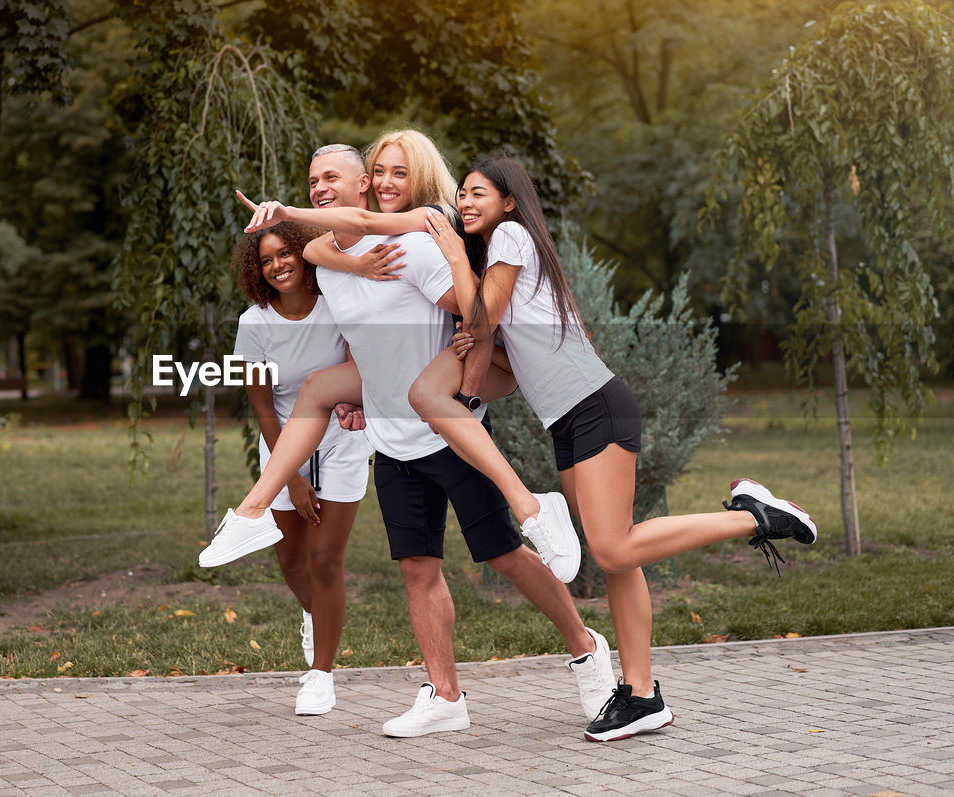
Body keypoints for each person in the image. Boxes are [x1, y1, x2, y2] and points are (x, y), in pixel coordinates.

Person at [203, 132, 618, 737]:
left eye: (334, 180)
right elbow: (332, 269)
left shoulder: (414, 248)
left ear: (361, 187)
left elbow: (476, 315)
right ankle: (445, 695)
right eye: (312, 182)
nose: (321, 189)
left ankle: (585, 647)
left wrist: (467, 328)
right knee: (417, 569)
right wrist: (363, 392)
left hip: (449, 432)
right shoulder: (326, 262)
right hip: (392, 443)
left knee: (504, 556)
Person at [395, 155, 817, 741]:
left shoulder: (513, 237)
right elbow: (487, 335)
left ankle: (752, 517)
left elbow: (481, 313)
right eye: (461, 194)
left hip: (596, 407)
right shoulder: (500, 255)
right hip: (570, 420)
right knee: (618, 553)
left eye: (477, 193)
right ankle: (641, 695)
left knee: (614, 550)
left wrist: (451, 266)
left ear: (510, 201)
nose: (464, 203)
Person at [224, 221, 375, 716]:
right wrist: (291, 475)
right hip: (283, 442)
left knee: (326, 559)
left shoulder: (336, 305)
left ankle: (321, 676)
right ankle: (315, 614)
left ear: (303, 255)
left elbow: (360, 368)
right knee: (291, 561)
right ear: (258, 270)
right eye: (266, 260)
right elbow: (263, 407)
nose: (277, 266)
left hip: (342, 439)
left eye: (285, 254)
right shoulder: (255, 323)